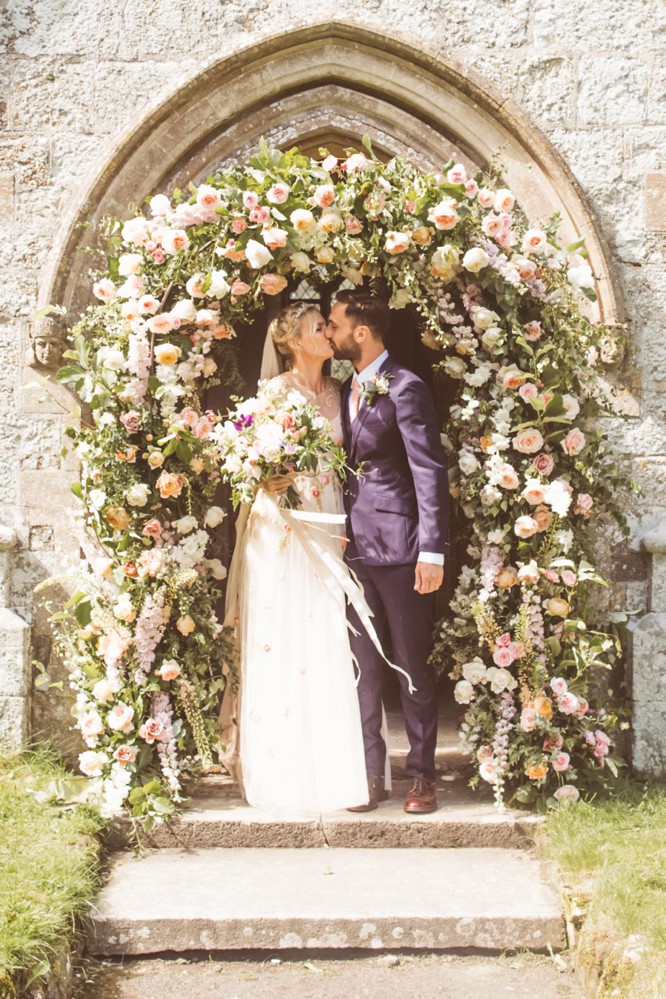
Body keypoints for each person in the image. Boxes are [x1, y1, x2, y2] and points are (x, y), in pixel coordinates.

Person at [222, 302, 370, 814]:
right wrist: (266, 475)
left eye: (328, 327)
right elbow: (247, 459)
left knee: (328, 631)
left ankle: (338, 769)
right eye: (319, 328)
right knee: (282, 632)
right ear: (294, 342)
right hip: (284, 525)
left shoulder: (341, 392)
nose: (329, 334)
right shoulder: (273, 395)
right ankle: (282, 769)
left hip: (331, 521)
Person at [326, 290, 449, 814]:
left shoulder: (406, 387)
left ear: (361, 331)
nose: (328, 333)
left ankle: (421, 776)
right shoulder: (343, 390)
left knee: (411, 664)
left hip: (401, 549)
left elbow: (428, 470)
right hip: (352, 548)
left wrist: (433, 551)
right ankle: (371, 775)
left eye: (334, 325)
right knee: (365, 667)